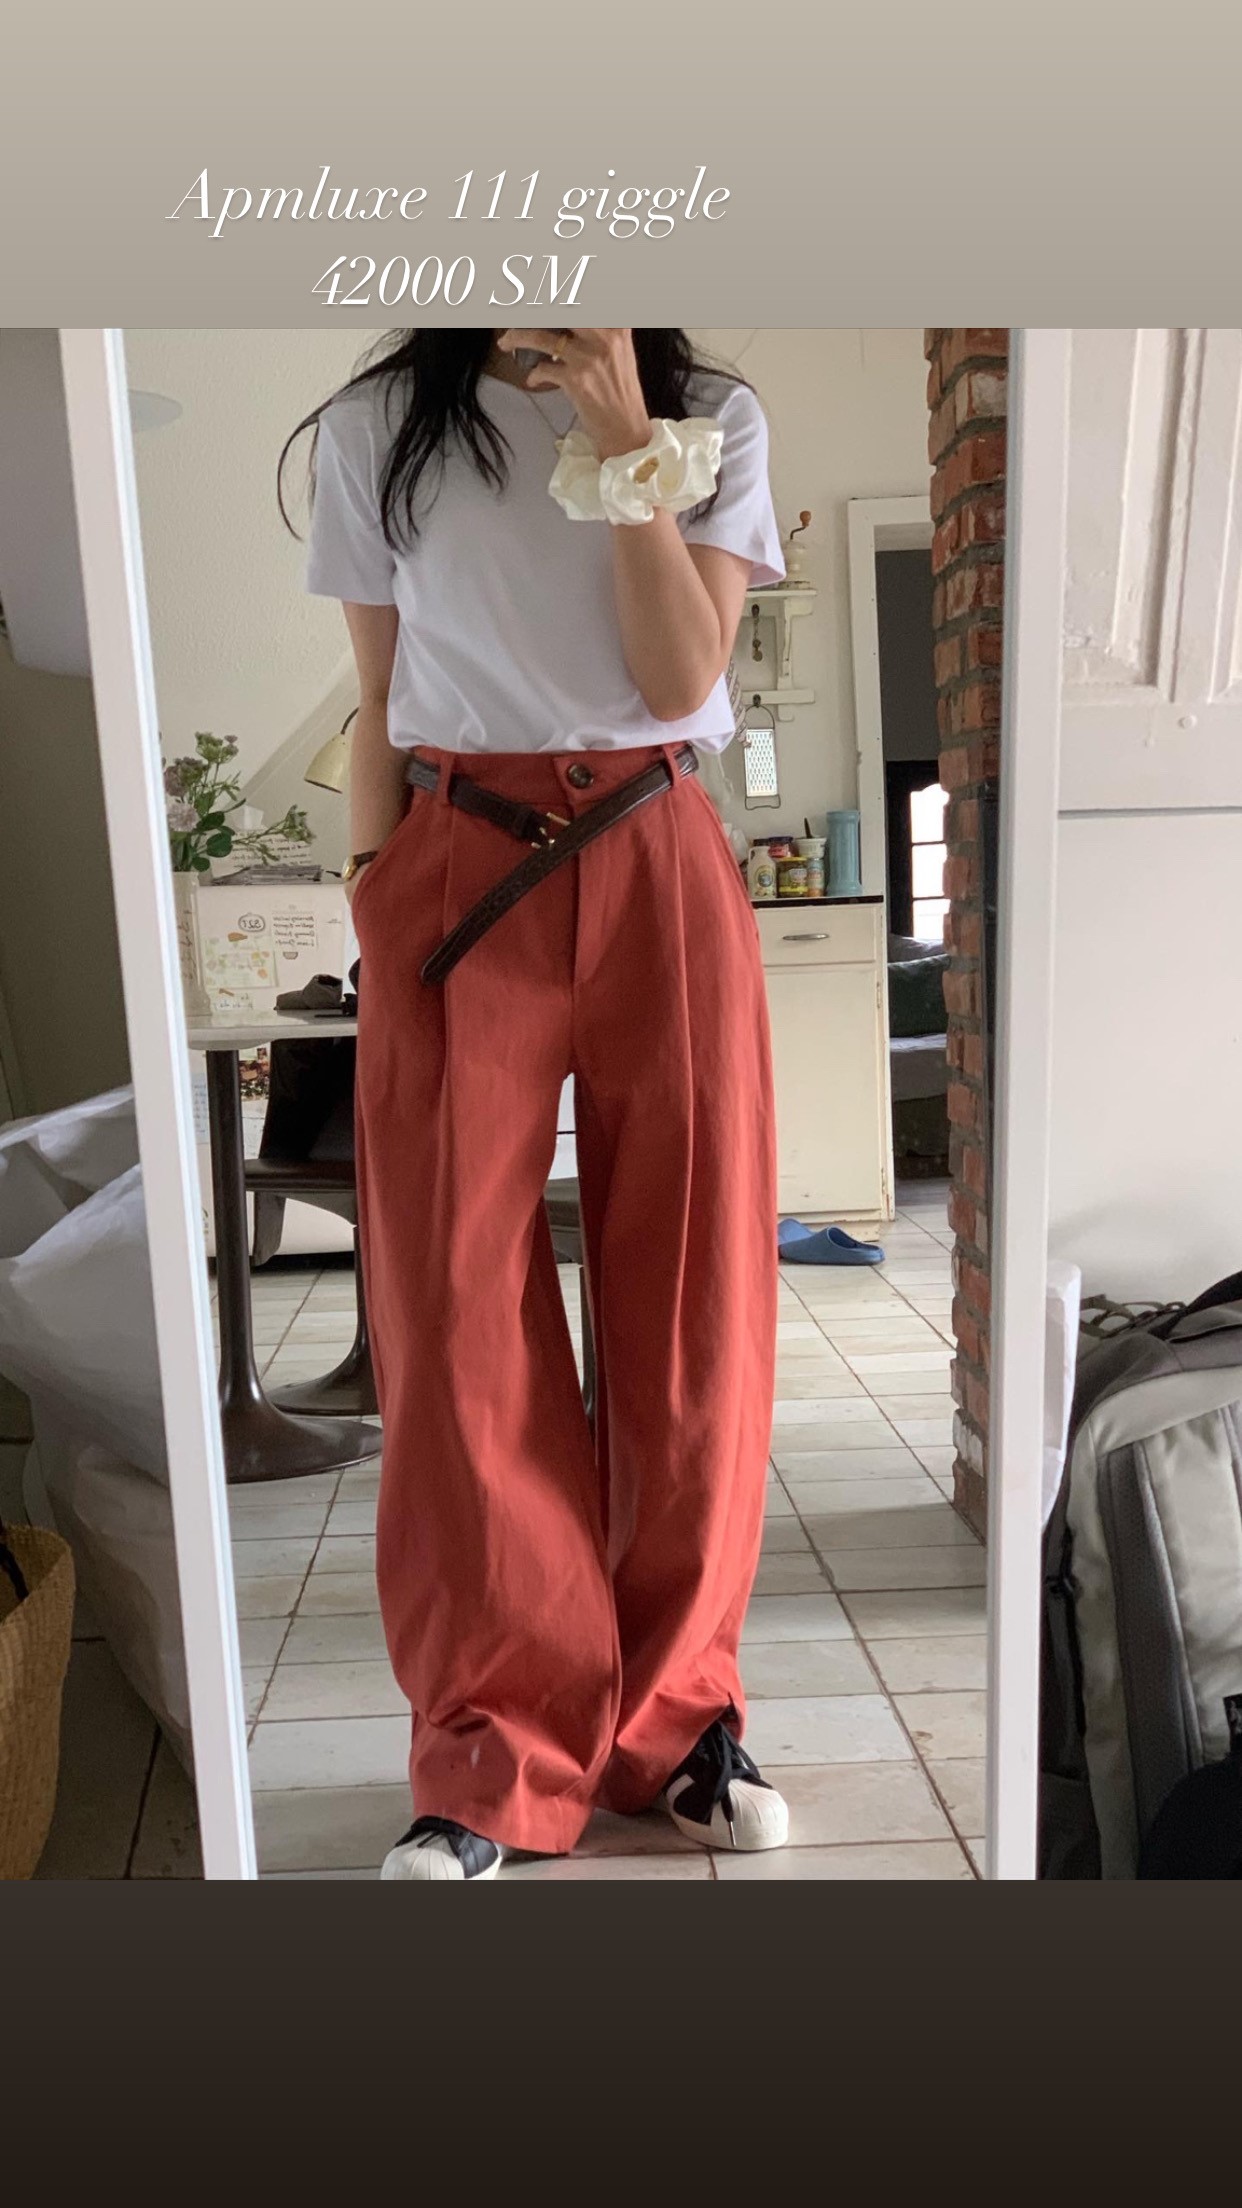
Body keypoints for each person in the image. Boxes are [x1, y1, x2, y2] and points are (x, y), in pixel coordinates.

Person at [282, 327, 787, 1880]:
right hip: (455, 856)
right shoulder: (377, 426)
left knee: (693, 1298)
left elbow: (681, 676)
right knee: (450, 1315)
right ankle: (493, 1750)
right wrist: (375, 899)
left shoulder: (710, 415)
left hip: (655, 843)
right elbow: (381, 691)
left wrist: (627, 440)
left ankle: (677, 1722)